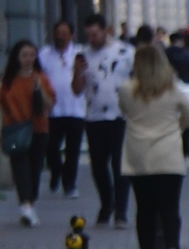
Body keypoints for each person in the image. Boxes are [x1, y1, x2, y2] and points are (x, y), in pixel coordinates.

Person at [119, 41, 189, 249]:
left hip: (139, 156)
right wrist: (176, 126)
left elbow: (123, 110)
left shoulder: (127, 89)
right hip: (168, 155)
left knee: (144, 210)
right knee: (170, 208)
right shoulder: (172, 90)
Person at [78, 14, 134, 228]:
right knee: (98, 165)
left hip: (120, 116)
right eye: (89, 35)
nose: (92, 39)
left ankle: (121, 211)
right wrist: (77, 72)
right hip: (94, 117)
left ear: (105, 31)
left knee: (120, 165)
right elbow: (77, 89)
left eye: (95, 34)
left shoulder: (125, 53)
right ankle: (106, 202)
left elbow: (136, 80)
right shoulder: (83, 55)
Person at [3, 39, 53, 227]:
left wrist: (39, 89)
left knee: (34, 169)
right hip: (15, 129)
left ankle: (29, 203)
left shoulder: (41, 78)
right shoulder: (8, 81)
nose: (28, 59)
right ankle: (26, 205)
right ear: (16, 57)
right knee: (20, 168)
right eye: (24, 55)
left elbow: (50, 104)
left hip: (38, 129)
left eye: (32, 55)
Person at [37, 19, 83, 198]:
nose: (60, 37)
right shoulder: (44, 55)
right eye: (58, 33)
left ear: (71, 35)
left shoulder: (79, 54)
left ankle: (69, 183)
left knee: (73, 150)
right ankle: (56, 172)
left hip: (75, 109)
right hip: (52, 111)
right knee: (51, 147)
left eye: (64, 34)